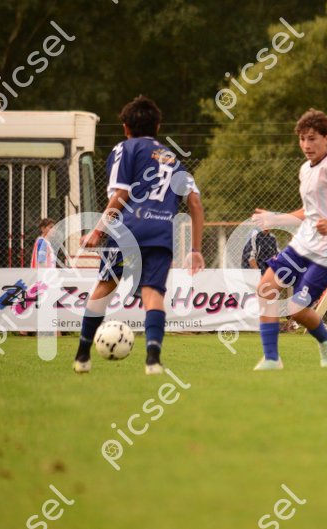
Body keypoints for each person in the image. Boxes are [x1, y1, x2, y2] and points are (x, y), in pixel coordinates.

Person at [75, 95, 204, 375]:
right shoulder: (173, 159)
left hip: (127, 230)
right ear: (157, 127)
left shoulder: (125, 148)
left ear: (125, 127)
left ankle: (83, 355)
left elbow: (121, 193)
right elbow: (195, 203)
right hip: (160, 232)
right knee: (152, 294)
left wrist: (98, 230)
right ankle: (153, 360)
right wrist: (195, 249)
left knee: (104, 287)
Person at [252, 108, 327, 370]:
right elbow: (310, 211)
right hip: (303, 244)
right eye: (302, 139)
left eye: (313, 138)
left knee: (296, 309)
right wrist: (276, 219)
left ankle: (326, 338)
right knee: (265, 290)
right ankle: (271, 359)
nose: (306, 145)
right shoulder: (305, 169)